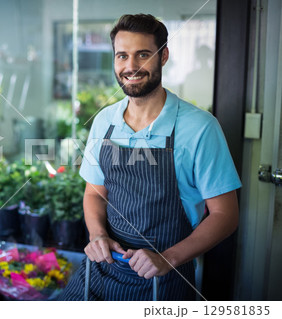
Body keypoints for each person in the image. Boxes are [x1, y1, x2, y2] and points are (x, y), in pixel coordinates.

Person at [59, 14, 241, 301]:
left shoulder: (199, 127)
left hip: (163, 281)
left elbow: (225, 215)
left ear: (163, 55)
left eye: (142, 55)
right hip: (101, 270)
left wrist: (167, 258)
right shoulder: (105, 120)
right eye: (122, 56)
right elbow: (94, 192)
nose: (131, 67)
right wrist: (97, 235)